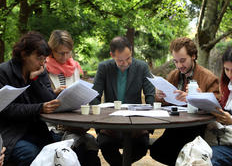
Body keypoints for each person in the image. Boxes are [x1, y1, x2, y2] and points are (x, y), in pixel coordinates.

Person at [150, 37, 220, 166]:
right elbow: (165, 102)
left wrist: (198, 97)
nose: (179, 66)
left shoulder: (208, 78)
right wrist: (160, 96)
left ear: (193, 56)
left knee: (174, 153)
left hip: (196, 129)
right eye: (175, 61)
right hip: (175, 126)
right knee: (157, 151)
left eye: (183, 61)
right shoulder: (173, 75)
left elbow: (218, 107)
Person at [91, 36, 155, 165]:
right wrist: (102, 123)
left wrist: (147, 125)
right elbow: (94, 97)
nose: (125, 63)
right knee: (104, 144)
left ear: (131, 51)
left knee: (142, 145)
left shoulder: (142, 67)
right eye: (120, 60)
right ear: (112, 55)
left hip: (136, 125)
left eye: (128, 58)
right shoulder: (104, 67)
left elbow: (150, 95)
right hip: (110, 124)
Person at [0, 31, 61, 166]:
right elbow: (6, 109)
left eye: (44, 59)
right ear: (24, 54)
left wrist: (34, 80)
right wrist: (39, 108)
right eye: (39, 58)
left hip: (36, 130)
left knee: (61, 150)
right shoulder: (3, 72)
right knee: (31, 153)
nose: (42, 63)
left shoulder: (40, 71)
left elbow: (49, 99)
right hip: (10, 133)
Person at [46, 30, 100, 166]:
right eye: (61, 53)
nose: (65, 56)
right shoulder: (43, 68)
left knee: (92, 151)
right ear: (52, 50)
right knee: (79, 149)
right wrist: (54, 93)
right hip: (53, 125)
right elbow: (42, 98)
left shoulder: (74, 67)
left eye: (68, 52)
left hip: (74, 122)